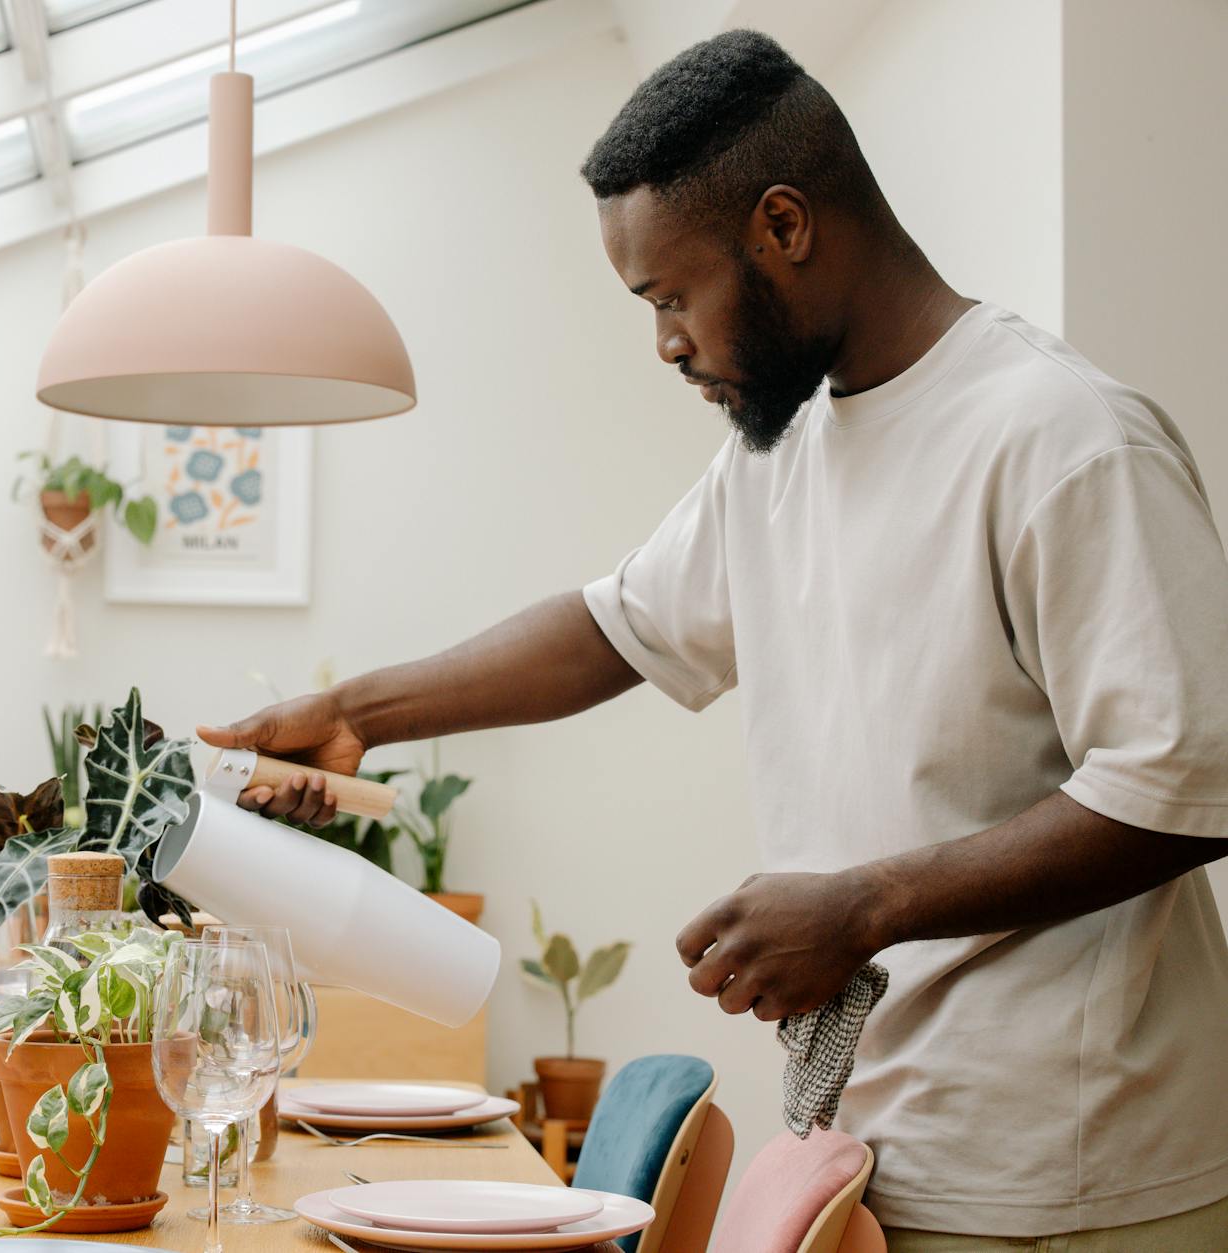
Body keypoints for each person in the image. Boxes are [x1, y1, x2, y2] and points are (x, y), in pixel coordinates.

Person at [198, 30, 1228, 1251]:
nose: (665, 343)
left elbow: (1179, 787)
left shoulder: (1060, 438)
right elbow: (609, 626)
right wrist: (358, 711)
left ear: (782, 226)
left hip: (1068, 1167)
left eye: (670, 296)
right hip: (872, 1138)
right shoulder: (782, 452)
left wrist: (864, 904)